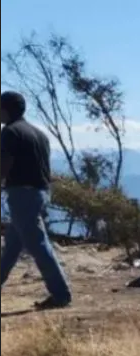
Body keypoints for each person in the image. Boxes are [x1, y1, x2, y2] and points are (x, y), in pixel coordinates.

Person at [0, 91, 73, 309]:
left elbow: (4, 163)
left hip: (22, 194)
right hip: (40, 193)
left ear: (6, 109)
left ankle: (61, 295)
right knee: (12, 245)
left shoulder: (10, 132)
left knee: (38, 245)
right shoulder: (39, 134)